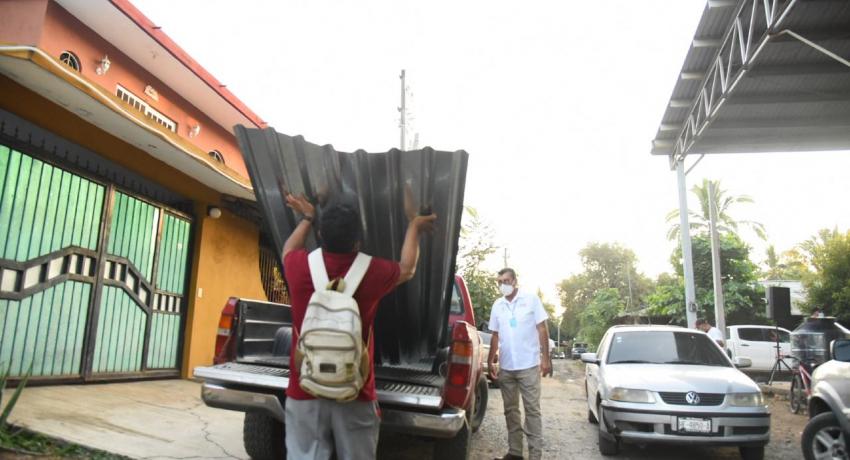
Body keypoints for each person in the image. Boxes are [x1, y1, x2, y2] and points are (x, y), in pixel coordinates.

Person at [281, 193, 436, 460]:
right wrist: (414, 227)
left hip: (304, 387)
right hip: (355, 390)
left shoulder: (298, 266)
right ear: (358, 241)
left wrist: (307, 217)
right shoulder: (372, 271)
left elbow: (287, 251)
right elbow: (408, 268)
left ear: (320, 233)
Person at [487, 268, 550, 460]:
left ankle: (535, 455)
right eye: (499, 282)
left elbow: (542, 329)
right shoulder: (497, 305)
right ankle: (515, 453)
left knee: (532, 411)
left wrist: (546, 359)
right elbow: (495, 335)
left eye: (506, 280)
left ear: (514, 281)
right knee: (510, 411)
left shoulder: (531, 300)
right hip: (507, 367)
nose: (502, 285)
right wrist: (490, 359)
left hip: (529, 366)